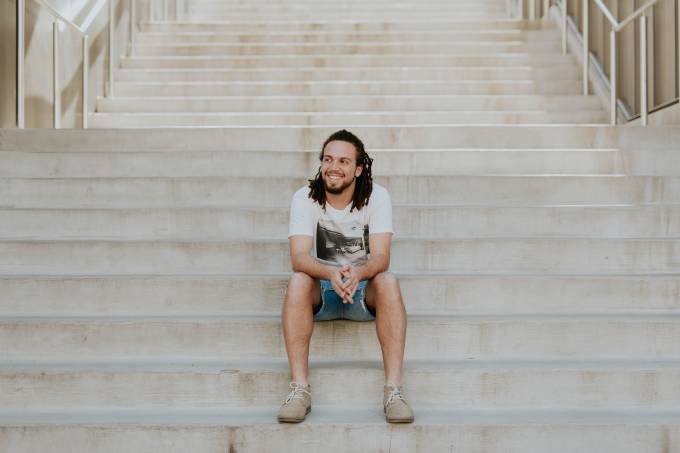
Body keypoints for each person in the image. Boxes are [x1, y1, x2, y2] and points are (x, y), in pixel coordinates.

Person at [278, 129, 414, 424]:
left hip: (362, 290)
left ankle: (394, 391)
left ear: (358, 168)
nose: (334, 167)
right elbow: (298, 257)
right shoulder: (305, 197)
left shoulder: (376, 196)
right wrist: (331, 273)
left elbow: (381, 257)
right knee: (299, 279)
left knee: (388, 280)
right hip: (323, 292)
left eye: (343, 160)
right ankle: (300, 389)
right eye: (328, 159)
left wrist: (357, 274)